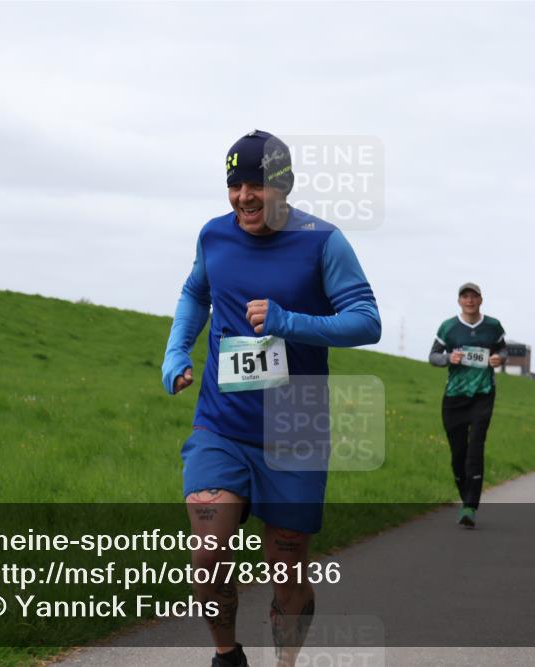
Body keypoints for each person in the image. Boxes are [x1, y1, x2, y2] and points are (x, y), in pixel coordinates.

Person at [162, 130, 381, 667]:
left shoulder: (323, 241)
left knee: (288, 572)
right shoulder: (214, 237)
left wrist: (289, 322)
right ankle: (227, 656)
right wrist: (176, 352)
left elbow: (366, 321)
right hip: (221, 424)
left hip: (295, 430)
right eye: (235, 185)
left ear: (282, 184)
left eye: (256, 184)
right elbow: (196, 291)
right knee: (208, 556)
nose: (244, 197)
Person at [428, 282, 507, 529]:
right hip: (454, 397)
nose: (470, 301)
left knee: (475, 448)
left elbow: (502, 350)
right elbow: (432, 356)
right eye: (465, 297)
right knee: (458, 454)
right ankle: (466, 500)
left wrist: (499, 359)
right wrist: (447, 358)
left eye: (474, 296)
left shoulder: (492, 326)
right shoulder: (448, 327)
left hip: (483, 394)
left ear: (481, 300)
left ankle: (471, 506)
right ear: (459, 301)